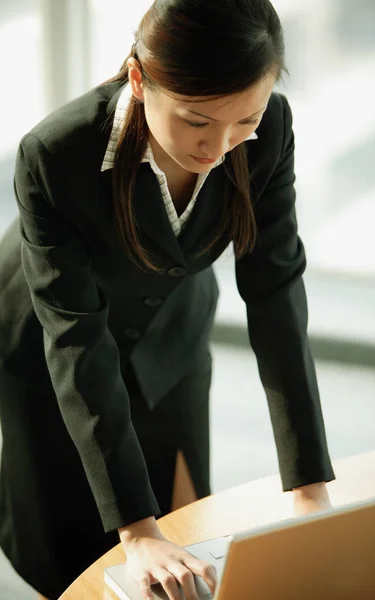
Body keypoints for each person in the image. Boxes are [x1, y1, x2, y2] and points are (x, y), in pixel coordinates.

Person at [0, 1, 336, 599]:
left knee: (190, 530)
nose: (220, 146)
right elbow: (76, 339)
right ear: (138, 79)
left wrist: (309, 489)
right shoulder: (54, 154)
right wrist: (136, 532)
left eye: (244, 121)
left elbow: (276, 292)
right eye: (197, 120)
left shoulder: (270, 130)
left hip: (170, 328)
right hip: (54, 339)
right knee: (79, 556)